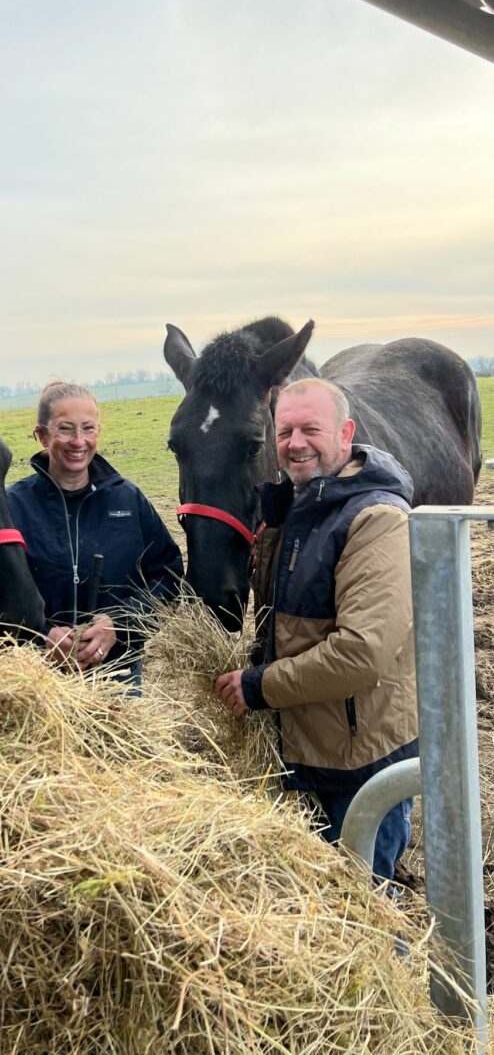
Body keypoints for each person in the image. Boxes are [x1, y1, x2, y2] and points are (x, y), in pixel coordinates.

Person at [214, 378, 418, 884]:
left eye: (311, 428)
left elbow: (360, 653)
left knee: (364, 910)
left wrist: (258, 687)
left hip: (358, 762)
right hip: (308, 748)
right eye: (284, 431)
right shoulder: (297, 508)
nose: (296, 442)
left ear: (346, 433)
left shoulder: (376, 518)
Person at [7, 381, 183, 692]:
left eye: (88, 428)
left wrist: (118, 624)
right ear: (42, 435)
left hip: (119, 676)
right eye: (65, 429)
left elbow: (167, 577)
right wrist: (40, 634)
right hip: (36, 680)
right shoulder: (12, 506)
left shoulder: (128, 500)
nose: (78, 441)